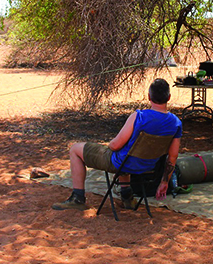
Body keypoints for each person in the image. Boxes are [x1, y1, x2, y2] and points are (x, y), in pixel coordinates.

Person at [52, 78, 182, 211]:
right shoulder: (176, 123)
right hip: (147, 167)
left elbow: (115, 146)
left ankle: (78, 198)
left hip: (121, 163)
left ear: (149, 97)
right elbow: (173, 156)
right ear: (169, 97)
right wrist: (165, 181)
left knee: (75, 149)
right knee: (127, 153)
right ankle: (127, 196)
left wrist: (108, 145)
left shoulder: (139, 116)